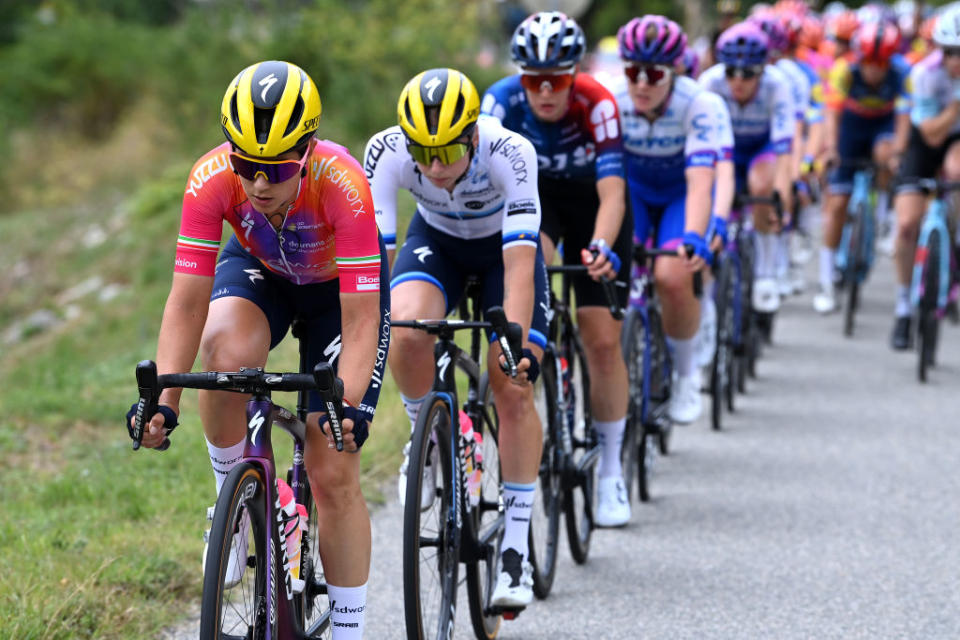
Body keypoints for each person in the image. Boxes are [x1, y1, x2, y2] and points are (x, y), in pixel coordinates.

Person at [126, 60, 388, 638]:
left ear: (309, 150)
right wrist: (163, 399)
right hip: (263, 271)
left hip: (335, 294)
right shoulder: (211, 178)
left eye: (277, 168)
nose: (260, 183)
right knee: (222, 352)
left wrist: (347, 405)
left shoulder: (344, 184)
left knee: (331, 462)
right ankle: (234, 499)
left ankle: (349, 627)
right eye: (247, 165)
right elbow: (187, 303)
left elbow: (362, 314)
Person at [366, 68, 547, 607]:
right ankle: (425, 436)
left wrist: (513, 346)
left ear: (472, 135)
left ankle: (515, 546)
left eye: (447, 152)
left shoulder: (510, 152)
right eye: (422, 152)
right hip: (437, 244)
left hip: (502, 253)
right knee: (403, 328)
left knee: (510, 381)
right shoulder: (386, 151)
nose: (434, 167)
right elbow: (376, 265)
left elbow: (518, 267)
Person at [482, 11, 632, 527]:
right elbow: (494, 191)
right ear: (520, 76)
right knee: (531, 271)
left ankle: (612, 470)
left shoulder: (598, 102)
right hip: (536, 206)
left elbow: (613, 191)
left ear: (575, 73)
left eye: (558, 80)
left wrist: (601, 246)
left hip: (594, 205)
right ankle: (540, 381)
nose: (545, 91)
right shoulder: (500, 102)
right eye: (534, 80)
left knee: (602, 338)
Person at [610, 15, 718, 424]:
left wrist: (693, 235)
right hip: (633, 191)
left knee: (673, 276)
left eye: (653, 74)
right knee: (613, 276)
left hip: (679, 194)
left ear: (674, 71)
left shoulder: (699, 103)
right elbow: (601, 176)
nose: (641, 83)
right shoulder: (613, 101)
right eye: (632, 71)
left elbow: (701, 178)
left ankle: (687, 374)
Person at [700, 22, 796, 315]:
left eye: (748, 74)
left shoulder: (778, 86)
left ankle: (766, 271)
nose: (738, 81)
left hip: (760, 149)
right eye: (731, 71)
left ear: (762, 71)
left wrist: (779, 198)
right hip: (723, 149)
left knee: (762, 186)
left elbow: (783, 152)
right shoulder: (709, 83)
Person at [815, 21, 909, 314]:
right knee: (838, 203)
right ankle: (827, 281)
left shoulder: (903, 73)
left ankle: (882, 218)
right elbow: (831, 113)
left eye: (880, 64)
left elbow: (905, 119)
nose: (874, 70)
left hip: (882, 126)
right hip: (850, 129)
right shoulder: (844, 69)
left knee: (885, 153)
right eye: (869, 63)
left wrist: (898, 153)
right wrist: (830, 148)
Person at [891, 6, 960, 348]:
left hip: (957, 143)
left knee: (957, 168)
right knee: (906, 225)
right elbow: (931, 134)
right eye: (950, 53)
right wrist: (956, 107)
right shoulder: (924, 74)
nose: (956, 61)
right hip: (926, 139)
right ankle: (903, 306)